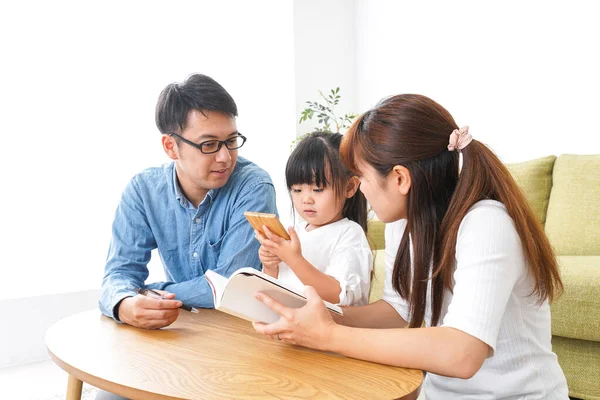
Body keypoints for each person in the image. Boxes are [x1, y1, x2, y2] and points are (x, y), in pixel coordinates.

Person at [253, 94, 569, 399]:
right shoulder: (402, 223)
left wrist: (329, 335)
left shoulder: (486, 223)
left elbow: (463, 352)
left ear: (400, 179)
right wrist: (318, 319)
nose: (360, 190)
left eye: (361, 177)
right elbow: (398, 309)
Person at [98, 73, 277, 330]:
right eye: (210, 145)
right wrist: (125, 304)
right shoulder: (143, 190)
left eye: (231, 141)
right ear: (171, 146)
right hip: (180, 330)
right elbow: (118, 275)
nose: (226, 157)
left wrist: (149, 291)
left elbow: (231, 287)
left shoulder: (254, 187)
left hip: (242, 332)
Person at [256, 132, 372, 306]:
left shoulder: (349, 233)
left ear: (349, 187)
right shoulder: (298, 231)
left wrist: (293, 259)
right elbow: (280, 290)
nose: (306, 199)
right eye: (297, 190)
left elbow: (338, 295)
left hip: (332, 330)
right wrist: (270, 266)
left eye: (318, 190)